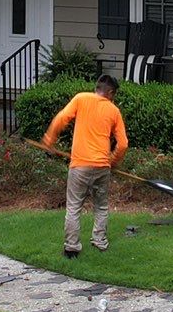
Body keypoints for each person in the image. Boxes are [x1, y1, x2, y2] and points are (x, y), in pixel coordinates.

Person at [40, 73, 129, 258]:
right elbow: (123, 144)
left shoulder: (81, 99)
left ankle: (71, 248)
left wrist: (49, 139)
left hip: (79, 166)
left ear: (98, 88)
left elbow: (61, 118)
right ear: (110, 92)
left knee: (73, 207)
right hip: (102, 167)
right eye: (114, 95)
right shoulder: (113, 111)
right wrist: (113, 161)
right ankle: (100, 241)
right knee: (101, 207)